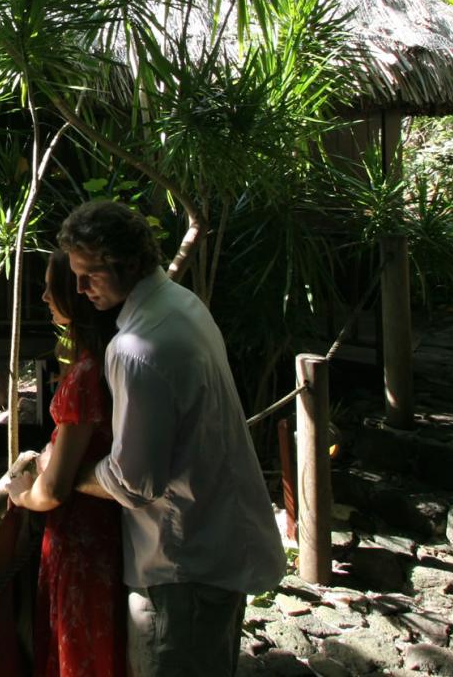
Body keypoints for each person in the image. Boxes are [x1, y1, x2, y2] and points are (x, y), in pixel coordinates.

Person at [59, 199, 286, 677]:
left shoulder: (135, 347)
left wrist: (69, 476)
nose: (79, 288)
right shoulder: (182, 304)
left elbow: (134, 482)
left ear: (129, 263)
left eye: (90, 274)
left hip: (183, 562)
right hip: (218, 539)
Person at [12, 251, 126, 677]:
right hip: (107, 533)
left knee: (80, 649)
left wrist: (22, 494)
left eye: (50, 288)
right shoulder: (104, 362)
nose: (44, 297)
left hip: (81, 539)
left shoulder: (84, 375)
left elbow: (56, 489)